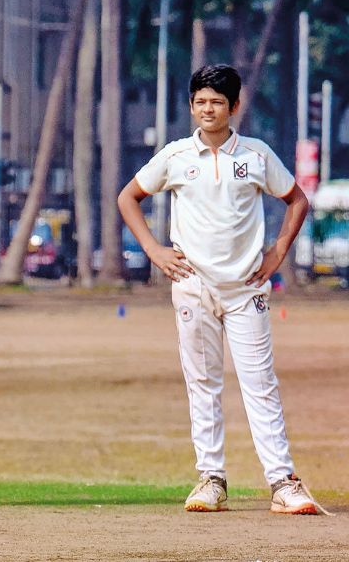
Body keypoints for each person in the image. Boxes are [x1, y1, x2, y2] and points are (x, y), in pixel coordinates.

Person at [117, 64, 329, 516]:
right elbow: (127, 197)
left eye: (216, 101)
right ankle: (211, 478)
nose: (207, 109)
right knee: (202, 383)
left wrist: (277, 254)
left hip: (246, 287)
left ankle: (282, 482)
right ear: (191, 106)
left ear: (234, 106)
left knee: (260, 384)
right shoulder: (176, 155)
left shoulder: (255, 154)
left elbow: (296, 200)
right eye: (199, 101)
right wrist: (154, 249)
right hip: (192, 286)